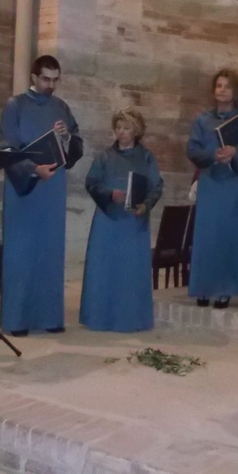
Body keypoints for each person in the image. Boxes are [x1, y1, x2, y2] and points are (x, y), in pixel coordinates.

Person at [0, 55, 83, 336]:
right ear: (33, 77)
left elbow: (76, 145)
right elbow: (7, 148)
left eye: (55, 80)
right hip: (25, 188)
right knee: (21, 253)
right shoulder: (15, 105)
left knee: (49, 251)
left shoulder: (61, 107)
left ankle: (50, 317)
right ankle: (18, 319)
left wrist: (67, 137)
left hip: (53, 189)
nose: (51, 85)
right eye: (46, 79)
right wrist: (33, 169)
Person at [80, 108, 163, 332]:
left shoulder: (146, 157)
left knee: (130, 271)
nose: (121, 132)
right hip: (108, 220)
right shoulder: (105, 156)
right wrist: (110, 194)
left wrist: (145, 205)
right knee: (103, 269)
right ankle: (99, 318)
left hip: (133, 222)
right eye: (118, 128)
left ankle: (131, 319)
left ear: (136, 131)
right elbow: (91, 182)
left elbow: (156, 187)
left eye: (126, 128)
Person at [187, 69, 238, 309]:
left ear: (236, 91)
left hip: (234, 184)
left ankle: (225, 289)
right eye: (218, 85)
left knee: (229, 236)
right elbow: (192, 149)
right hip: (211, 182)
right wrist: (213, 155)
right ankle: (203, 287)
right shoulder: (202, 120)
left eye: (227, 86)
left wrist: (235, 152)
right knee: (207, 236)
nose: (221, 90)